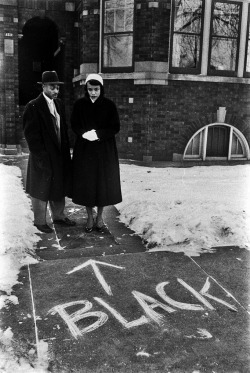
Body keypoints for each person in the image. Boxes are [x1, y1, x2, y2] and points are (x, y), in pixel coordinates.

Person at [23, 70, 76, 233]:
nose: (56, 91)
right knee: (41, 188)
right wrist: (41, 157)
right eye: (52, 87)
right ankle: (40, 221)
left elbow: (63, 129)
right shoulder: (33, 106)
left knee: (58, 186)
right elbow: (31, 136)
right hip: (43, 157)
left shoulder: (58, 104)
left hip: (59, 155)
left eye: (57, 88)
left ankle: (59, 216)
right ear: (44, 86)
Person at [71, 73, 122, 232]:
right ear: (86, 89)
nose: (93, 92)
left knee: (101, 184)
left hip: (103, 151)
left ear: (101, 89)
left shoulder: (109, 105)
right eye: (90, 89)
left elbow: (115, 127)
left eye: (96, 89)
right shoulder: (80, 105)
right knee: (87, 184)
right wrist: (84, 134)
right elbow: (74, 124)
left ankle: (99, 217)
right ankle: (89, 217)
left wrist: (98, 134)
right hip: (85, 151)